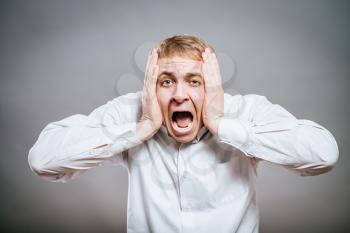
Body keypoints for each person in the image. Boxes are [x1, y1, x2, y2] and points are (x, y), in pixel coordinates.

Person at [28, 35, 339, 233]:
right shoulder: (135, 112)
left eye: (194, 81)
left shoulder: (245, 112)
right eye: (166, 81)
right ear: (151, 86)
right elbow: (43, 160)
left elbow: (324, 155)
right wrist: (140, 129)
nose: (179, 95)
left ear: (213, 85)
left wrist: (222, 124)